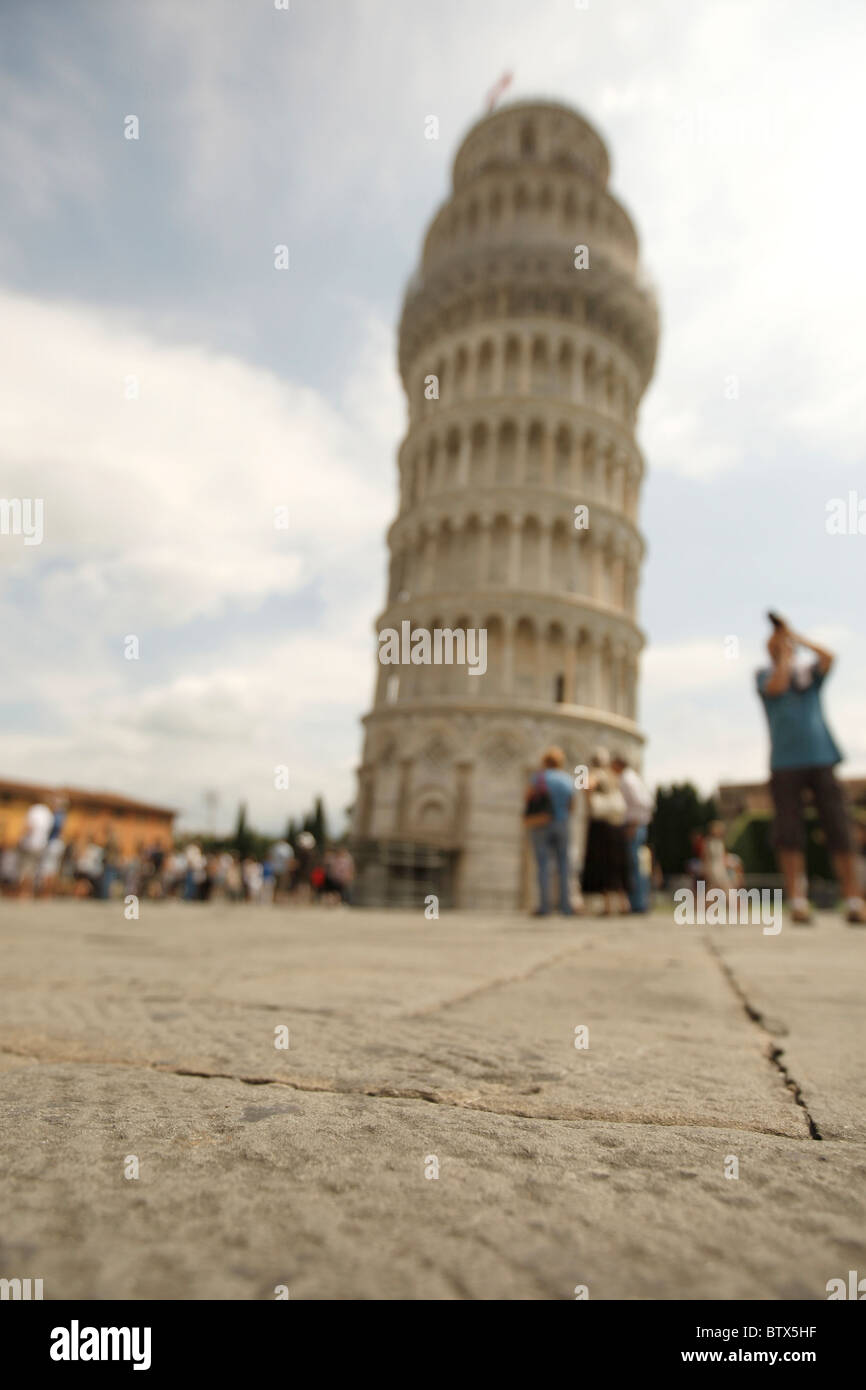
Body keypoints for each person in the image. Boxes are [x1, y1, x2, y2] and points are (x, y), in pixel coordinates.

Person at [756, 615, 866, 925]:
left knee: (840, 829)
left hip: (821, 758)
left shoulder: (809, 677)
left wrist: (796, 637)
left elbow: (829, 656)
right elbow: (777, 686)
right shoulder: (764, 675)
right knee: (789, 833)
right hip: (784, 763)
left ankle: (855, 898)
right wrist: (784, 656)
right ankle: (798, 900)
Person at [525, 746, 575, 917]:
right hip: (562, 823)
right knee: (564, 865)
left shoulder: (539, 777)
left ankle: (545, 907)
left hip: (541, 823)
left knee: (543, 865)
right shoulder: (567, 779)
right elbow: (572, 805)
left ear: (545, 762)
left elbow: (528, 797)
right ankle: (565, 906)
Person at [580, 748, 629, 915]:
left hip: (602, 825)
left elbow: (585, 785)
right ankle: (623, 904)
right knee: (617, 865)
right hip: (617, 823)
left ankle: (608, 906)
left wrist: (590, 803)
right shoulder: (612, 776)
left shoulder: (597, 773)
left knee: (604, 864)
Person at [611, 754, 653, 913]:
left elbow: (639, 802)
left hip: (634, 824)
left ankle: (638, 903)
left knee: (633, 865)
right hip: (639, 823)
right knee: (638, 865)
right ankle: (640, 902)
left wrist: (634, 824)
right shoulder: (634, 777)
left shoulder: (626, 779)